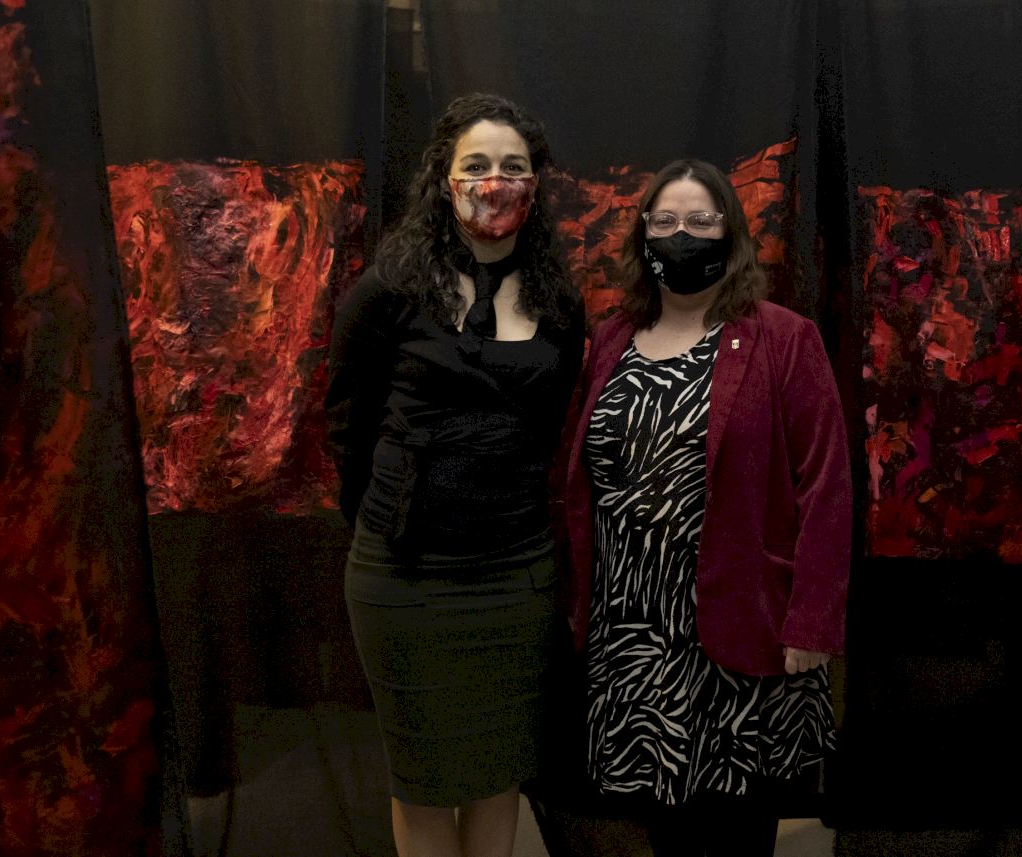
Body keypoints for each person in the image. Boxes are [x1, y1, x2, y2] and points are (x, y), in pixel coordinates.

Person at [562, 159, 851, 856]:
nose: (681, 235)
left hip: (740, 628)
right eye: (664, 221)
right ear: (643, 235)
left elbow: (827, 485)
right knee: (663, 833)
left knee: (734, 833)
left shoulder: (784, 338)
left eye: (700, 220)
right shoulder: (611, 338)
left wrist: (811, 620)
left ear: (732, 234)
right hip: (631, 635)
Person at [324, 93, 585, 857]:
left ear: (536, 183)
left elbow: (549, 432)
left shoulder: (560, 305)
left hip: (514, 576)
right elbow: (347, 425)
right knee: (426, 781)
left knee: (499, 773)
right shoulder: (389, 289)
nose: (494, 181)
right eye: (476, 165)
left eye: (513, 166)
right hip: (406, 580)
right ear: (445, 179)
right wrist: (387, 517)